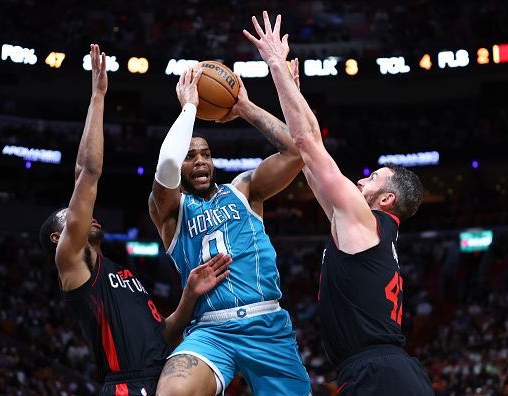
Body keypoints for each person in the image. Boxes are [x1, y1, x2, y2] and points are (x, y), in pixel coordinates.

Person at [244, 11, 434, 396]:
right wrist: (291, 95)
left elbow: (307, 145)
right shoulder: (363, 229)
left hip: (380, 374)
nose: (362, 178)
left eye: (373, 177)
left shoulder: (364, 221)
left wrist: (275, 66)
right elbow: (308, 164)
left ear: (387, 198)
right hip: (378, 371)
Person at [38, 44, 232, 396]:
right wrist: (98, 97)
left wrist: (188, 295)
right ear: (57, 238)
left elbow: (162, 335)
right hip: (125, 385)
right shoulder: (72, 261)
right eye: (68, 215)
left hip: (160, 379)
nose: (84, 215)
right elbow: (88, 172)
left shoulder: (121, 273)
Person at [148, 65, 311, 395]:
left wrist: (244, 108)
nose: (200, 162)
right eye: (190, 156)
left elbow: (295, 152)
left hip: (266, 323)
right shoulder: (168, 211)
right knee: (172, 392)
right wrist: (190, 107)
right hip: (210, 331)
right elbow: (166, 165)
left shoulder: (243, 190)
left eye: (206, 154)